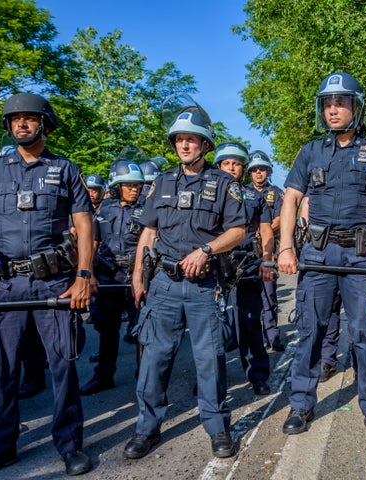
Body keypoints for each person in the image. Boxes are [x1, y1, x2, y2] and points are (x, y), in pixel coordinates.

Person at [0, 93, 93, 478]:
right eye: (15, 120)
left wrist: (84, 276)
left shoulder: (66, 170)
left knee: (62, 364)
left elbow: (84, 225)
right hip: (7, 285)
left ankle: (69, 445)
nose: (21, 125)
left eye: (30, 119)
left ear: (44, 123)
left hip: (54, 282)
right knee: (1, 367)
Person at [277, 72, 366, 442]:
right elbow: (290, 201)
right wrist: (286, 247)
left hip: (361, 258)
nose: (333, 109)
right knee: (311, 331)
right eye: (328, 104)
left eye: (341, 103)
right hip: (317, 255)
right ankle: (301, 403)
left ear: (355, 107)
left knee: (365, 333)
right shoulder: (309, 151)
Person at [124, 95, 246, 460]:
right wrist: (137, 274)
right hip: (162, 283)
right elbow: (148, 231)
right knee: (154, 359)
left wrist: (207, 250)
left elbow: (239, 231)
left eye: (191, 139)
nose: (184, 144)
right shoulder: (160, 182)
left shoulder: (225, 183)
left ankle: (216, 427)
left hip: (204, 285)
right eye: (179, 139)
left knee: (209, 358)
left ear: (205, 144)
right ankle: (147, 429)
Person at [80, 160, 145, 395]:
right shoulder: (103, 211)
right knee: (107, 329)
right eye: (129, 185)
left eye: (138, 185)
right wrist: (90, 274)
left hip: (136, 276)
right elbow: (93, 244)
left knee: (141, 329)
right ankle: (104, 375)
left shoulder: (147, 208)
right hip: (108, 277)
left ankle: (145, 377)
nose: (135, 189)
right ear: (117, 187)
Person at [215, 141, 274, 396]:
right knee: (212, 327)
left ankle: (258, 375)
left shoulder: (255, 196)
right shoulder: (208, 192)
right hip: (214, 265)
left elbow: (265, 229)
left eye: (236, 164)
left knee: (250, 324)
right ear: (219, 165)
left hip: (246, 265)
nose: (231, 168)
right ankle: (212, 379)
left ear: (243, 168)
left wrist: (268, 260)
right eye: (226, 164)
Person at [245, 150, 286, 352]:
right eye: (254, 170)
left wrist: (265, 229)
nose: (258, 173)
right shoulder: (241, 192)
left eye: (262, 169)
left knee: (268, 293)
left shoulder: (277, 193)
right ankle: (249, 336)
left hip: (268, 247)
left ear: (268, 171)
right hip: (246, 251)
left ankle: (272, 334)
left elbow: (280, 218)